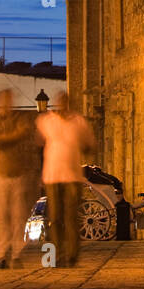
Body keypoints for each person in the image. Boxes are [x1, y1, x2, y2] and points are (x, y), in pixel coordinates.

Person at [35, 92, 94, 267]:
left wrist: (83, 146)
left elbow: (89, 144)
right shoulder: (47, 121)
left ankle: (72, 255)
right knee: (54, 217)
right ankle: (56, 255)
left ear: (68, 103)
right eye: (59, 101)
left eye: (65, 101)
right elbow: (38, 143)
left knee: (71, 217)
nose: (62, 104)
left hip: (72, 176)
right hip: (52, 175)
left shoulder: (79, 122)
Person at [0, 89, 33, 269]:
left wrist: (3, 138)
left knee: (18, 216)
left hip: (18, 173)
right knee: (2, 217)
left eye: (10, 99)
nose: (7, 103)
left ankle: (17, 253)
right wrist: (11, 137)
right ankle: (0, 254)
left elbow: (23, 132)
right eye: (5, 100)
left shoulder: (19, 118)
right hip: (2, 174)